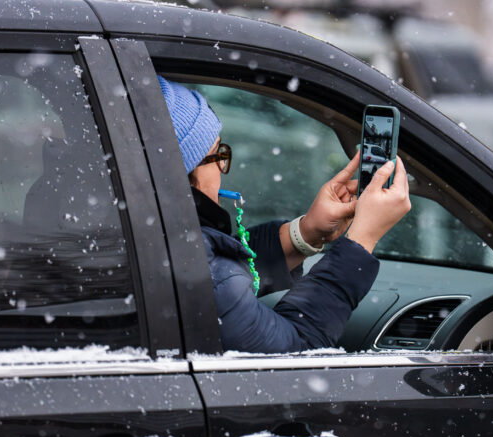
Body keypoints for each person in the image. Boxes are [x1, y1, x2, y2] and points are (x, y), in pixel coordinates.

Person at [158, 76, 412, 353]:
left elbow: (226, 273)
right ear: (181, 175)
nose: (221, 167)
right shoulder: (187, 261)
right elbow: (298, 349)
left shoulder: (160, 243)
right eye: (216, 154)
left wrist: (306, 232)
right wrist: (362, 240)